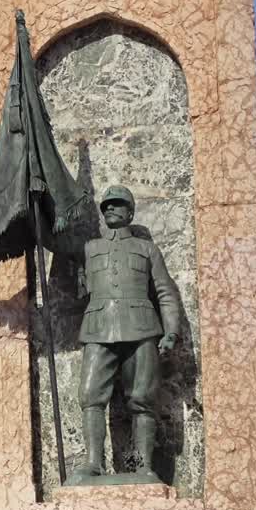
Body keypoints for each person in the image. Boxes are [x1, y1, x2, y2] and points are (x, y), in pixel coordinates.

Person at [74, 185, 182, 481]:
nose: (110, 208)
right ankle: (94, 462)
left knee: (142, 399)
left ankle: (144, 465)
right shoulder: (89, 248)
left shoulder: (147, 249)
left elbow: (165, 292)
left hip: (141, 328)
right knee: (90, 396)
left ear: (130, 212)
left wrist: (171, 332)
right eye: (106, 205)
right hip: (98, 329)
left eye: (117, 204)